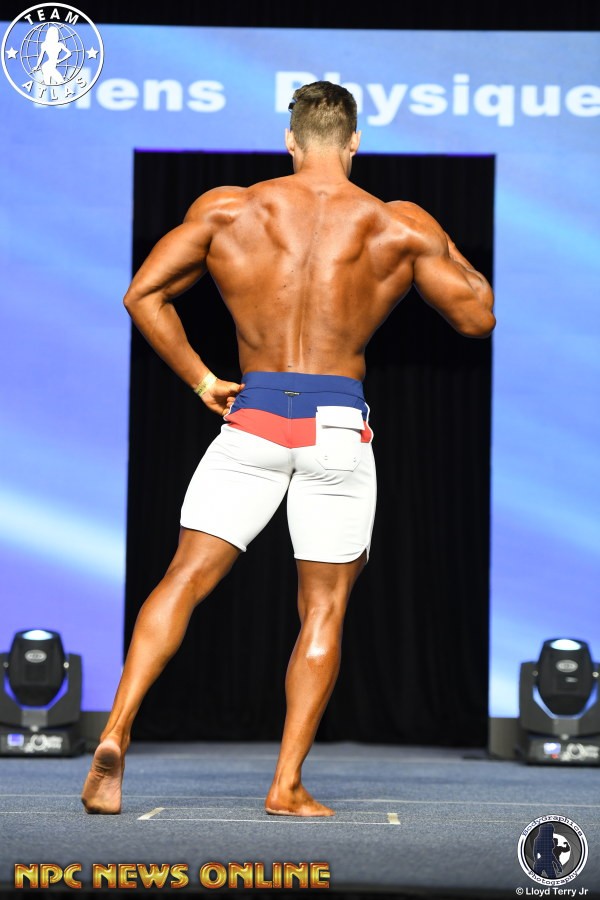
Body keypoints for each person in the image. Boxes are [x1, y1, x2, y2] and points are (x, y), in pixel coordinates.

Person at [81, 81, 495, 818]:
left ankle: (115, 731)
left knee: (184, 577)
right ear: (356, 142)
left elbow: (142, 295)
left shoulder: (230, 209)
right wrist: (441, 242)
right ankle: (286, 784)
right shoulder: (395, 224)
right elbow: (476, 317)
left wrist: (203, 379)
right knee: (323, 609)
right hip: (335, 428)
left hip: (255, 419)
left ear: (290, 140)